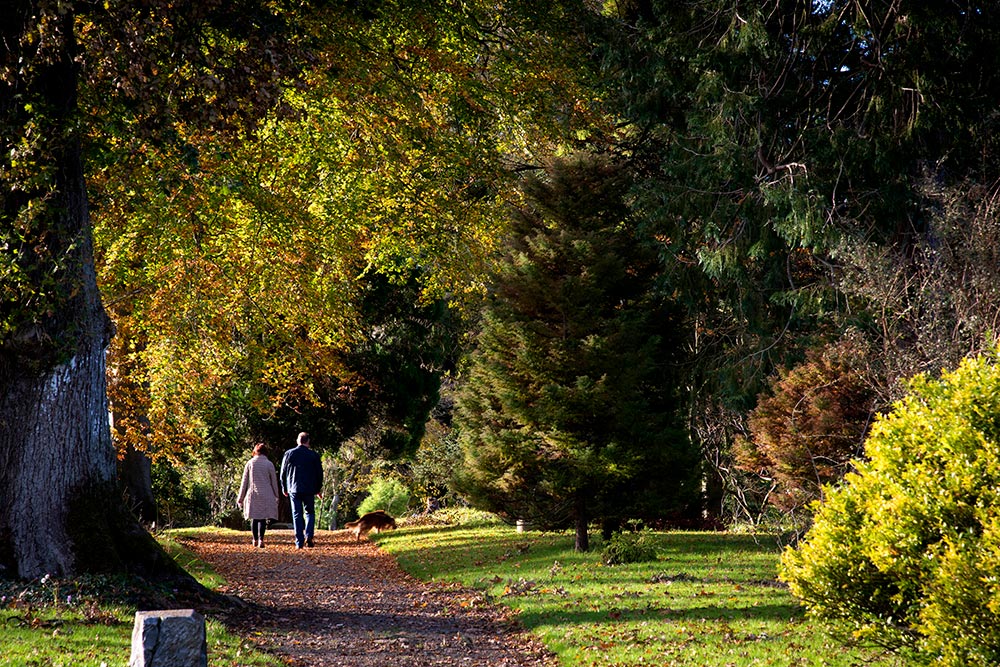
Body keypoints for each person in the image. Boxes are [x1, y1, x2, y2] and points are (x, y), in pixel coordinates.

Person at [280, 431, 323, 549]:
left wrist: (284, 487)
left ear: (298, 441)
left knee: (297, 514)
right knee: (310, 512)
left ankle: (299, 541)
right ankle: (309, 535)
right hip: (309, 489)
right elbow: (319, 473)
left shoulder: (289, 454)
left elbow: (283, 472)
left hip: (294, 488)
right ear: (308, 441)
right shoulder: (314, 455)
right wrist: (318, 488)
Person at [237, 443, 280, 548]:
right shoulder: (269, 464)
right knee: (262, 519)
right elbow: (274, 481)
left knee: (255, 518)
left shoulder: (250, 463)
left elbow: (244, 482)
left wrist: (240, 498)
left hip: (253, 493)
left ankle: (254, 539)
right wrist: (276, 495)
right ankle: (261, 539)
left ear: (255, 451)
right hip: (266, 494)